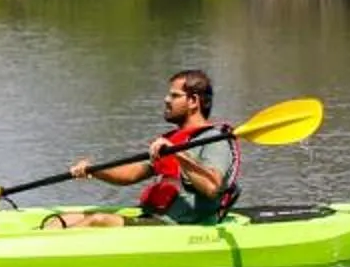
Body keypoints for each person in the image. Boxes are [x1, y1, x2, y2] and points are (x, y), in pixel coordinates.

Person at [44, 69, 239, 228]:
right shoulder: (171, 140)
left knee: (98, 221)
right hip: (154, 220)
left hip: (182, 227)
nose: (166, 100)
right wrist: (94, 170)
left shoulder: (214, 140)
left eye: (174, 95)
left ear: (193, 101)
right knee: (64, 219)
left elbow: (212, 187)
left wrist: (177, 153)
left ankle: (45, 256)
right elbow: (131, 174)